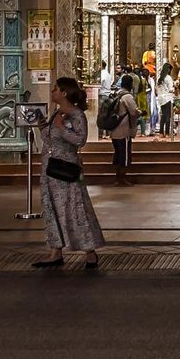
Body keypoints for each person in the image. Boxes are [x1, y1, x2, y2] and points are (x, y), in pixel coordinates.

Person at [33, 77, 105, 269]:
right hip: (49, 169)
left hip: (66, 169)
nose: (53, 92)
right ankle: (56, 250)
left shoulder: (75, 115)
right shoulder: (55, 112)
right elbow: (51, 139)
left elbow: (80, 140)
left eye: (56, 89)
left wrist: (60, 128)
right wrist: (44, 128)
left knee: (75, 208)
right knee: (52, 209)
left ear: (64, 93)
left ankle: (90, 251)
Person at [109, 74, 141, 186]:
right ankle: (122, 179)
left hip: (114, 129)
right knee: (124, 155)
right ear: (130, 84)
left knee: (117, 153)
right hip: (124, 130)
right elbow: (134, 112)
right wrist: (140, 112)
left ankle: (117, 178)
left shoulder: (116, 94)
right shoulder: (127, 96)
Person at [157, 62, 176, 137]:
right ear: (168, 70)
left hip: (161, 99)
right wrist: (175, 87)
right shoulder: (168, 78)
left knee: (163, 115)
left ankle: (161, 132)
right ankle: (167, 132)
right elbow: (171, 89)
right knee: (168, 116)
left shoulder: (160, 78)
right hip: (168, 98)